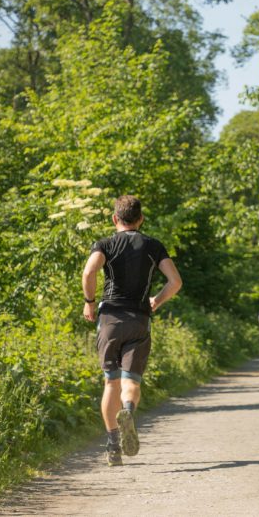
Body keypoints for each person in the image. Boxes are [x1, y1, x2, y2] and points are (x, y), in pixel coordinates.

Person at [82, 195, 182, 467]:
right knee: (131, 382)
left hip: (111, 318)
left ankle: (113, 445)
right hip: (139, 318)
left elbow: (89, 272)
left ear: (115, 218)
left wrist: (89, 303)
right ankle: (127, 411)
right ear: (141, 219)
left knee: (110, 382)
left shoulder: (104, 244)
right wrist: (156, 301)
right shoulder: (153, 245)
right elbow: (175, 282)